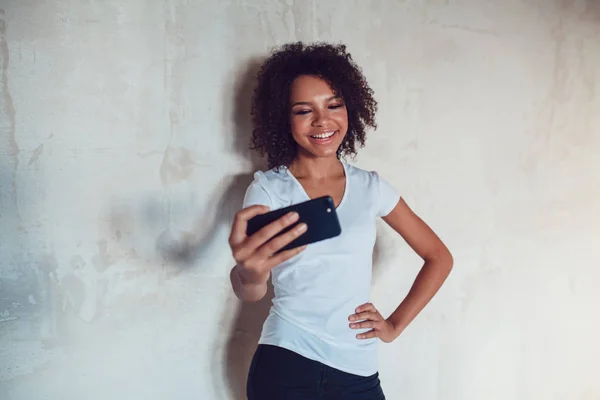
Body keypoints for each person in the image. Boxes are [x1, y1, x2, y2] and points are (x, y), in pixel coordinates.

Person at [228, 42, 453, 400]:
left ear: (351, 106)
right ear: (283, 119)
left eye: (334, 105)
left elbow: (439, 257)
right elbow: (250, 290)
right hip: (286, 363)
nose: (323, 120)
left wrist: (394, 325)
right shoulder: (269, 190)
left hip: (358, 371)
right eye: (304, 111)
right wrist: (250, 274)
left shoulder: (371, 188)